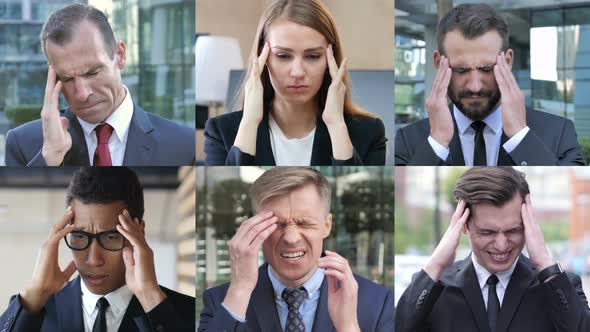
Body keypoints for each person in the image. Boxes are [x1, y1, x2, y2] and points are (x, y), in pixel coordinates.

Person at [0, 167, 195, 332]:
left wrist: (151, 299)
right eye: (80, 236)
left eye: (110, 237)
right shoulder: (31, 312)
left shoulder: (187, 312)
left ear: (139, 232)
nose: (93, 260)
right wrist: (34, 294)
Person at [395, 167, 590, 331]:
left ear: (528, 224)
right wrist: (436, 264)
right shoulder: (435, 289)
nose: (501, 245)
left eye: (513, 230)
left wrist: (544, 262)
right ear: (464, 225)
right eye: (487, 232)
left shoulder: (559, 287)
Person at [199, 167, 393, 331]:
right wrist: (239, 292)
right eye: (277, 224)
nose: (291, 239)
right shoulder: (221, 301)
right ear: (254, 227)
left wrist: (348, 326)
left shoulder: (378, 302)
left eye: (305, 223)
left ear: (327, 226)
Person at [395, 3, 585, 166]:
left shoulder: (559, 133)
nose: (475, 86)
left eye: (486, 69)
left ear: (508, 61)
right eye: (461, 70)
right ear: (438, 63)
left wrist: (520, 137)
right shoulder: (409, 140)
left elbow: (572, 205)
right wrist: (437, 143)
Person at [5, 4, 195, 166]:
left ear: (119, 55)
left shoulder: (184, 145)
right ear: (52, 75)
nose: (82, 94)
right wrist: (49, 158)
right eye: (67, 78)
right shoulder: (23, 144)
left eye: (92, 72)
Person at [204, 0, 387, 166]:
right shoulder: (222, 131)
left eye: (313, 56)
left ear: (330, 60)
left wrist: (337, 126)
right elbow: (226, 199)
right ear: (263, 58)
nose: (298, 72)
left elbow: (358, 201)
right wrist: (250, 122)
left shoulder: (369, 132)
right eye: (283, 56)